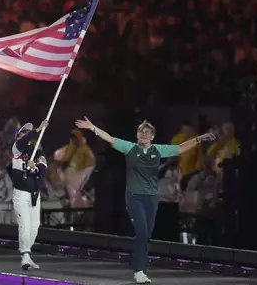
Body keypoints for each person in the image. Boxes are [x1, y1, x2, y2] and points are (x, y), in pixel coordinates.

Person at [75, 117, 216, 284]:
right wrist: (92, 128)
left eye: (147, 132)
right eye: (141, 132)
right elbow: (110, 138)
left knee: (147, 235)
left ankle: (140, 264)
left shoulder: (158, 150)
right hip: (134, 197)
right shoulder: (130, 148)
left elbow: (180, 148)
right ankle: (139, 270)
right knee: (141, 232)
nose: (144, 134)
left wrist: (199, 138)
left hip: (151, 198)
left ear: (152, 136)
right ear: (137, 135)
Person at [10, 119, 48, 271]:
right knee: (24, 224)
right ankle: (25, 254)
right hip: (21, 193)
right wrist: (38, 128)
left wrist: (36, 167)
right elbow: (23, 141)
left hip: (34, 194)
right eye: (23, 132)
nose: (27, 134)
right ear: (18, 136)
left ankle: (27, 254)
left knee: (34, 227)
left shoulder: (37, 151)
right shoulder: (16, 150)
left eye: (28, 131)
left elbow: (44, 168)